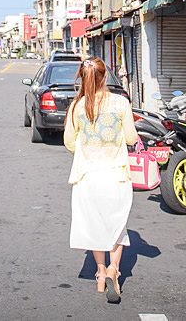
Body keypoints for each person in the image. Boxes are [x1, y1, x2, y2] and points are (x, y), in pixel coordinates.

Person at [63, 56, 141, 304]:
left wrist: (88, 146)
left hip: (87, 177)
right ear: (105, 76)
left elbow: (69, 142)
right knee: (116, 227)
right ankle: (113, 270)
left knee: (96, 227)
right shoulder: (120, 103)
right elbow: (130, 138)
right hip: (116, 176)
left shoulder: (77, 106)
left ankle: (99, 272)